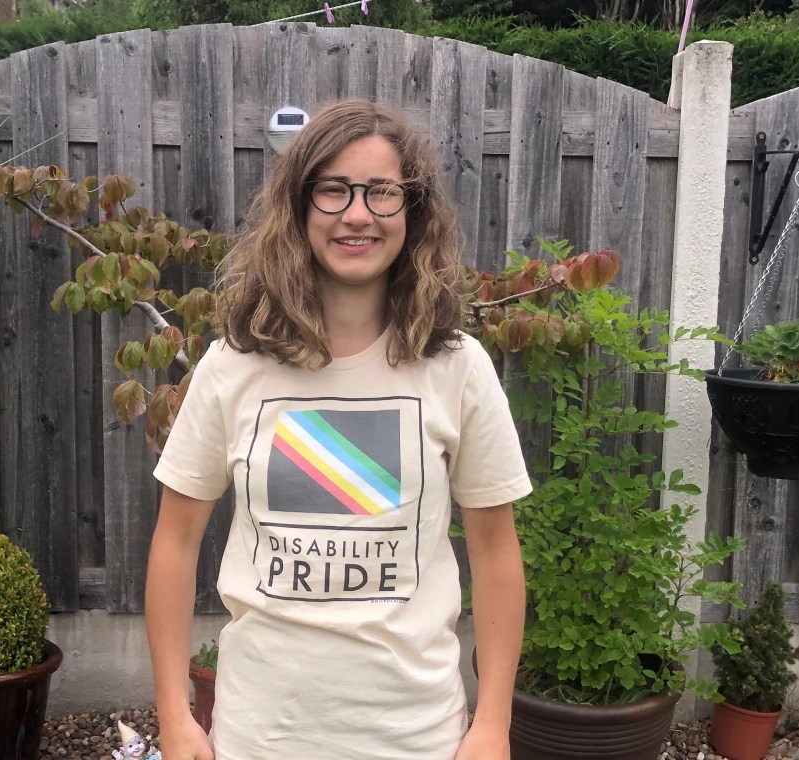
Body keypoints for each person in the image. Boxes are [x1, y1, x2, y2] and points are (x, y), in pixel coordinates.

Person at [145, 99, 531, 760]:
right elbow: (175, 542)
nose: (357, 214)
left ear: (412, 212)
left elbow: (495, 554)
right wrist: (175, 715)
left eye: (381, 193)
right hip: (259, 732)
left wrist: (490, 724)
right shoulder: (232, 366)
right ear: (298, 209)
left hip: (415, 735)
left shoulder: (456, 368)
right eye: (333, 191)